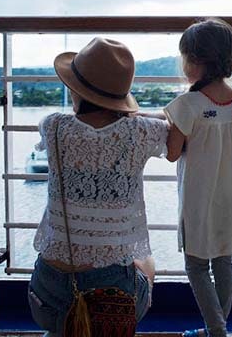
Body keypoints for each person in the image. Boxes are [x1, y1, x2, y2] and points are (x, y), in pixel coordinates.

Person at [27, 37, 165, 336]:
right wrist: (132, 114)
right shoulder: (144, 130)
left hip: (47, 296)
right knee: (147, 262)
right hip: (110, 300)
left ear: (76, 89)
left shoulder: (52, 126)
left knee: (65, 321)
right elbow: (172, 124)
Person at [164, 18, 232, 337]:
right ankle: (217, 325)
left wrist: (170, 126)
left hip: (198, 198)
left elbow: (173, 153)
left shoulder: (187, 105)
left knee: (197, 266)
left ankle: (216, 329)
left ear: (196, 61)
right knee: (223, 261)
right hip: (230, 196)